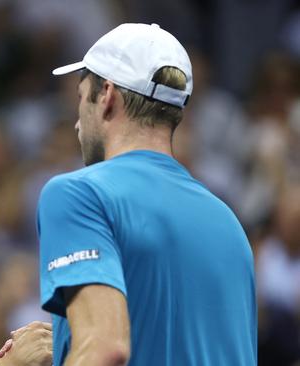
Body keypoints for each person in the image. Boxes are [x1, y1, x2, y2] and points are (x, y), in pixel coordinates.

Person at [38, 23, 256, 365]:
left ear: (107, 95)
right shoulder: (229, 223)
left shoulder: (78, 193)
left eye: (81, 99)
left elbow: (104, 349)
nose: (77, 123)